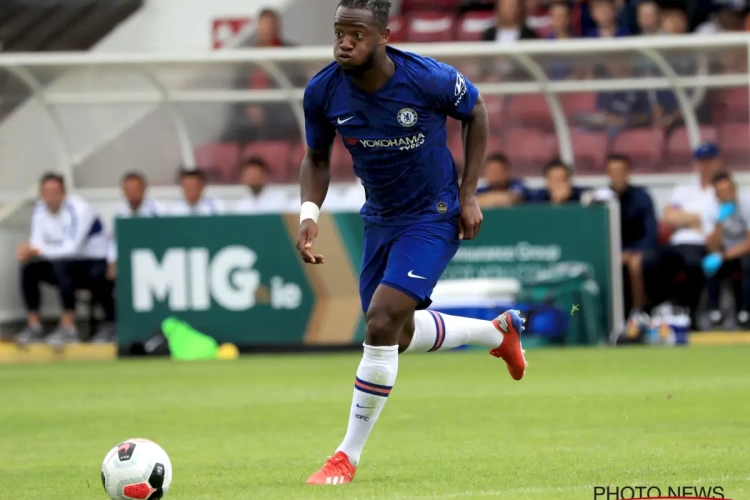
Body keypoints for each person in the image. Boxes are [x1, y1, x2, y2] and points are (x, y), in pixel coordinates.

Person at [298, 0, 527, 486]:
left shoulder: (427, 78)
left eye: (356, 34)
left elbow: (476, 110)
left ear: (383, 36)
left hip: (434, 214)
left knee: (380, 320)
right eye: (339, 32)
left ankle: (345, 457)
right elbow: (316, 156)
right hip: (379, 218)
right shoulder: (323, 90)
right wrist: (309, 214)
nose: (344, 42)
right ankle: (496, 334)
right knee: (394, 336)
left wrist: (468, 193)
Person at [15, 173, 114, 347]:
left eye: (55, 192)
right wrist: (29, 252)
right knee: (29, 268)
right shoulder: (39, 210)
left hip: (93, 262)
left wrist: (36, 250)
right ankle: (34, 325)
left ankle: (68, 326)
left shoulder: (80, 209)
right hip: (63, 264)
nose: (50, 197)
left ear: (63, 193)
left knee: (62, 265)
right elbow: (36, 242)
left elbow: (71, 249)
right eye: (46, 192)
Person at [643, 143, 720, 328]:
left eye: (709, 161)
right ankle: (660, 306)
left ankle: (687, 310)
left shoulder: (720, 189)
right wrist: (698, 219)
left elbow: (720, 221)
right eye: (701, 162)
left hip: (702, 243)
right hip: (677, 242)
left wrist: (685, 218)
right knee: (650, 260)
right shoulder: (684, 189)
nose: (705, 166)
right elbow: (669, 216)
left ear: (717, 162)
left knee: (693, 264)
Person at [605, 154, 658, 331]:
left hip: (639, 250)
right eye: (613, 171)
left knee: (636, 264)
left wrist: (634, 251)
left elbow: (651, 232)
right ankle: (605, 318)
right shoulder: (602, 199)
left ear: (628, 172)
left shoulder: (641, 196)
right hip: (611, 251)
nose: (617, 175)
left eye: (621, 171)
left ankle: (639, 312)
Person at [701, 172, 750, 329]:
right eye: (722, 191)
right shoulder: (709, 208)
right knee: (710, 265)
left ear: (735, 189)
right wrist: (719, 221)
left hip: (743, 252)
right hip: (722, 252)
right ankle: (715, 311)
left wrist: (725, 255)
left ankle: (745, 312)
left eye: (730, 189)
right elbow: (711, 246)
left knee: (748, 265)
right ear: (716, 194)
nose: (727, 194)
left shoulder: (747, 203)